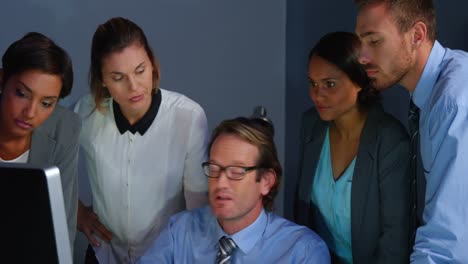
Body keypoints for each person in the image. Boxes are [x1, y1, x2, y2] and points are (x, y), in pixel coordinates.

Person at [74, 17, 209, 263]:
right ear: (102, 79)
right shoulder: (86, 114)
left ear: (152, 64)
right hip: (104, 254)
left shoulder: (187, 117)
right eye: (118, 77)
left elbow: (198, 209)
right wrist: (78, 213)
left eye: (140, 70)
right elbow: (48, 159)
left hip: (168, 255)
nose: (134, 86)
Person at [355, 0, 468, 263]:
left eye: (374, 41)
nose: (361, 56)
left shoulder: (455, 102)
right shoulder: (433, 97)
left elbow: (447, 246)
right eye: (360, 41)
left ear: (417, 35)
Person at [138, 117, 331, 263]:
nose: (221, 182)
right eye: (214, 169)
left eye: (236, 172)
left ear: (266, 181)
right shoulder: (179, 231)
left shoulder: (302, 251)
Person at [293, 32, 411, 263]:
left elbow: (395, 240)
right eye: (313, 83)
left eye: (330, 84)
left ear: (358, 81)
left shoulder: (390, 141)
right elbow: (302, 215)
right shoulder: (311, 125)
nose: (318, 94)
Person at [0, 32, 80, 250]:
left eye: (46, 103)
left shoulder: (65, 128)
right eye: (21, 94)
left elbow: (60, 229)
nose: (30, 113)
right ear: (1, 79)